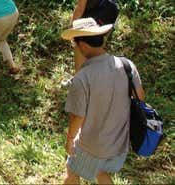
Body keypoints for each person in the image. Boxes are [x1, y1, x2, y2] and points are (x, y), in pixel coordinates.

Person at [61, 18, 144, 185]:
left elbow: (78, 116)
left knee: (72, 172)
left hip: (92, 146)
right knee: (101, 172)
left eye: (75, 44)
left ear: (83, 46)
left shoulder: (83, 78)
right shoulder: (127, 65)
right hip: (120, 142)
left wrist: (70, 139)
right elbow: (140, 97)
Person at [71, 0, 115, 72]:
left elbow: (80, 8)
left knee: (80, 49)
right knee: (98, 55)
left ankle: (80, 78)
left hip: (89, 26)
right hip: (104, 24)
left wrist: (72, 28)